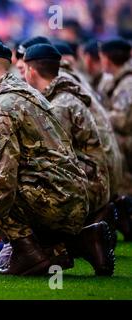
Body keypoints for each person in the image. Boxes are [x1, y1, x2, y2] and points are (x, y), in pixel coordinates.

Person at [0, 41, 114, 276]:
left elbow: (2, 173)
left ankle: (32, 255)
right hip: (68, 197)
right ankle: (85, 241)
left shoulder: (0, 106)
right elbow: (11, 156)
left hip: (54, 199)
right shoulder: (24, 94)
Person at [23, 43, 110, 221]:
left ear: (31, 71)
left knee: (18, 189)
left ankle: (53, 246)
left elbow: (49, 157)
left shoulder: (59, 106)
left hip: (87, 188)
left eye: (23, 69)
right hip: (88, 181)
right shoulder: (58, 97)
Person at [99, 38, 132, 240]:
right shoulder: (115, 80)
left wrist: (99, 116)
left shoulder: (127, 84)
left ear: (108, 58)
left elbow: (123, 121)